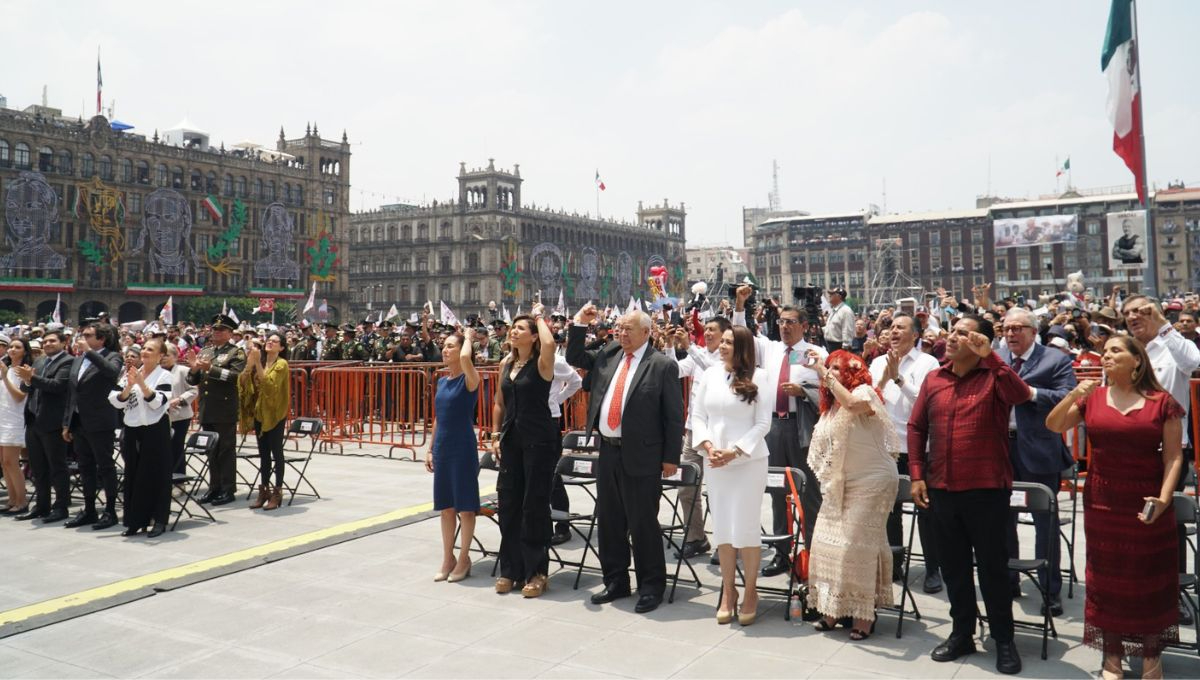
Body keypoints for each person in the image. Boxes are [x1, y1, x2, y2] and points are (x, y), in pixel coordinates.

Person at [1046, 335, 1184, 680]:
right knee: (1107, 578)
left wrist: (1165, 498)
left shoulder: (1161, 402)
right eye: (1105, 352)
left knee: (1148, 576)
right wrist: (1075, 394)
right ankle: (1112, 656)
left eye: (1115, 351)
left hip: (1148, 503)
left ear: (1137, 360)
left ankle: (1151, 656)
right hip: (1103, 502)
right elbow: (1054, 424)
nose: (1106, 356)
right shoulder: (1092, 399)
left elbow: (1173, 457)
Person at [908, 315, 1031, 675]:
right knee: (955, 570)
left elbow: (1021, 397)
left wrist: (992, 358)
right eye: (952, 331)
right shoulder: (935, 378)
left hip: (986, 489)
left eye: (964, 333)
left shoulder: (995, 375)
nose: (953, 337)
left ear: (981, 341)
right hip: (942, 489)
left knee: (992, 570)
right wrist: (917, 475)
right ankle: (962, 632)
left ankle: (1003, 640)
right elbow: (917, 427)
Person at [568, 303, 685, 614]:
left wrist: (670, 457)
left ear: (646, 332)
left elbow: (674, 417)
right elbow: (575, 358)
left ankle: (651, 585)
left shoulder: (661, 365)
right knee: (609, 520)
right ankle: (616, 580)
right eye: (618, 328)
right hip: (607, 450)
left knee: (643, 522)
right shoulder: (609, 355)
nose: (621, 334)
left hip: (643, 455)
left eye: (628, 329)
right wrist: (579, 323)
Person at [732, 285, 826, 576]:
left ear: (805, 326)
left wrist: (804, 390)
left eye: (791, 323)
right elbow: (740, 335)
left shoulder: (816, 353)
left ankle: (814, 551)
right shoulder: (770, 348)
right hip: (772, 427)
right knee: (776, 490)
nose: (785, 327)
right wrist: (739, 304)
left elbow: (829, 391)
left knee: (808, 491)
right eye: (781, 322)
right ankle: (781, 553)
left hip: (802, 429)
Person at [807, 349, 899, 640]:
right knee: (825, 543)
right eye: (829, 368)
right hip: (842, 482)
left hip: (874, 480)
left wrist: (823, 372)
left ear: (851, 371)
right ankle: (834, 609)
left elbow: (853, 404)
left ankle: (862, 616)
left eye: (837, 368)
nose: (830, 372)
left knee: (854, 546)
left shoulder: (862, 393)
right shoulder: (831, 406)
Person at [690, 325, 772, 625]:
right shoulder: (710, 374)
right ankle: (729, 590)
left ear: (743, 347)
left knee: (746, 528)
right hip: (715, 462)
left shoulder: (760, 377)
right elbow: (698, 416)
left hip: (747, 463)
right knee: (722, 527)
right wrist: (710, 446)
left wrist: (735, 451)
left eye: (729, 342)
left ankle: (751, 591)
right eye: (721, 341)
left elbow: (763, 423)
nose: (722, 346)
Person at [997, 308, 1077, 616]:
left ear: (1033, 332)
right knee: (1003, 519)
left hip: (1038, 451)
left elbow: (1068, 397)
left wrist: (1030, 394)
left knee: (1045, 522)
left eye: (1018, 328)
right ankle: (1009, 579)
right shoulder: (998, 358)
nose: (1011, 333)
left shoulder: (1054, 359)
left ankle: (1049, 589)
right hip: (1002, 449)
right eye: (1007, 328)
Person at [869, 313, 942, 592]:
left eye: (901, 327)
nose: (894, 332)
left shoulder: (928, 363)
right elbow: (869, 399)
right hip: (884, 448)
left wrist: (898, 378)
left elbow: (924, 404)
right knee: (889, 511)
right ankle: (894, 565)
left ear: (915, 335)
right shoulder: (877, 363)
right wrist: (885, 379)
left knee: (926, 511)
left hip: (916, 450)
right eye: (892, 327)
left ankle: (933, 568)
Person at [491, 306, 559, 598]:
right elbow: (499, 402)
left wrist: (540, 317)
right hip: (511, 440)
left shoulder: (542, 363)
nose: (514, 331)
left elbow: (550, 344)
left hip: (539, 442)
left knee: (534, 505)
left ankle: (536, 571)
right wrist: (495, 434)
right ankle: (511, 569)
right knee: (508, 504)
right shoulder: (506, 363)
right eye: (513, 328)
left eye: (521, 329)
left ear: (533, 337)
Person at [669, 315, 730, 560]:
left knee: (719, 490)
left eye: (713, 329)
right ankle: (696, 537)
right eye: (706, 329)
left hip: (717, 434)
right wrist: (669, 344)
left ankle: (725, 543)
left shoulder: (726, 359)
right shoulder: (698, 354)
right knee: (686, 487)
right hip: (694, 431)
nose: (709, 333)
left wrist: (689, 347)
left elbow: (714, 372)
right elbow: (673, 370)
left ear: (726, 333)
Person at [426, 327, 481, 583]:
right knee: (446, 508)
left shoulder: (470, 378)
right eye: (444, 346)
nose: (445, 350)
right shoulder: (442, 380)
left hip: (463, 448)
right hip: (444, 448)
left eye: (451, 346)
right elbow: (438, 417)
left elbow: (467, 360)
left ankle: (464, 558)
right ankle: (447, 556)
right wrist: (430, 448)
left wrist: (468, 338)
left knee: (466, 508)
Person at [109, 338, 174, 537]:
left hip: (155, 429)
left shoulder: (164, 375)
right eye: (144, 348)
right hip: (132, 428)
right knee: (134, 474)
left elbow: (158, 403)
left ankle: (159, 520)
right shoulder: (130, 373)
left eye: (150, 349)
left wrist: (142, 384)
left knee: (157, 475)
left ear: (160, 355)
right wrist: (129, 386)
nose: (145, 352)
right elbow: (116, 401)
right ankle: (135, 520)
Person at [63, 322, 123, 530]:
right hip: (79, 422)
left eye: (89, 335)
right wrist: (67, 423)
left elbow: (111, 373)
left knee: (105, 467)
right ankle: (89, 509)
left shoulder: (112, 356)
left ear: (102, 339)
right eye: (83, 334)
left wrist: (89, 352)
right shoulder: (79, 359)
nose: (84, 338)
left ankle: (110, 510)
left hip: (100, 422)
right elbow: (73, 393)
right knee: (85, 467)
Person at [187, 314, 246, 506]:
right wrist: (195, 369)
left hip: (224, 407)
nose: (216, 332)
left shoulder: (236, 353)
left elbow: (235, 376)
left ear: (230, 333)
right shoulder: (206, 350)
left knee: (225, 450)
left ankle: (228, 489)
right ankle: (214, 487)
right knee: (211, 450)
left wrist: (211, 369)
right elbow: (192, 380)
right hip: (207, 406)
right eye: (214, 329)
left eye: (221, 330)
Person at [16, 329, 72, 523]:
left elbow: (56, 386)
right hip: (33, 420)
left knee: (57, 467)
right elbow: (26, 387)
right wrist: (26, 380)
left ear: (63, 343)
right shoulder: (39, 361)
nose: (48, 344)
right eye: (45, 341)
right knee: (38, 467)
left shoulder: (67, 361)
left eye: (52, 341)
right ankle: (42, 505)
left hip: (53, 422)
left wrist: (31, 378)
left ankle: (61, 506)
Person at [246, 332, 290, 511]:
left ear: (282, 347)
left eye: (275, 341)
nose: (270, 343)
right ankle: (264, 490)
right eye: (268, 340)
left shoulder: (282, 364)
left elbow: (269, 385)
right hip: (260, 412)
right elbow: (246, 382)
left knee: (276, 452)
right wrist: (251, 364)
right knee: (263, 453)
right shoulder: (261, 362)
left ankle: (277, 491)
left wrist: (257, 363)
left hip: (275, 413)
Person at [548, 351, 584, 546]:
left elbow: (576, 382)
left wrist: (556, 401)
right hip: (525, 423)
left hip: (548, 421)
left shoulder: (556, 361)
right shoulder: (517, 358)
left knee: (553, 478)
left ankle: (562, 527)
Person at [0, 337, 30, 514]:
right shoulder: (7, 368)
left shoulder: (22, 371)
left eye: (17, 347)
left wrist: (5, 377)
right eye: (10, 347)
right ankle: (12, 499)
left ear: (24, 351)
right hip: (2, 417)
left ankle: (22, 500)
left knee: (12, 461)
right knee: (4, 462)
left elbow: (19, 396)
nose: (12, 350)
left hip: (14, 419)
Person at [161, 343, 197, 479]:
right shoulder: (156, 371)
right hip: (160, 415)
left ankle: (179, 480)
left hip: (179, 416)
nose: (163, 358)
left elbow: (193, 390)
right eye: (162, 355)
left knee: (176, 447)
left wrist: (179, 399)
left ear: (175, 357)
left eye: (167, 355)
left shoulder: (183, 371)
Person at [823, 287, 855, 352]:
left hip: (838, 346)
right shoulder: (834, 310)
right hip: (829, 345)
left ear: (839, 296)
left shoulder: (845, 311)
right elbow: (832, 328)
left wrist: (845, 348)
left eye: (832, 294)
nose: (829, 295)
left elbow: (847, 330)